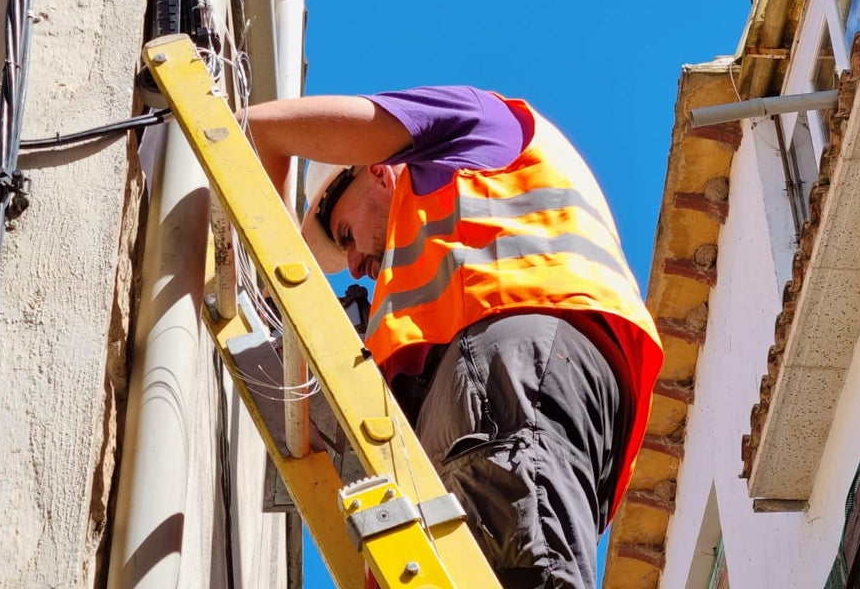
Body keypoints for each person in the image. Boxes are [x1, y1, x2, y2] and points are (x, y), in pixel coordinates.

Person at [246, 86, 663, 589]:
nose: (354, 265)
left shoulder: (476, 123)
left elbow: (263, 128)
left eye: (344, 233)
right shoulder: (430, 269)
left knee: (532, 569)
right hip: (535, 380)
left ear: (374, 168)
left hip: (513, 359)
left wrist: (271, 278)